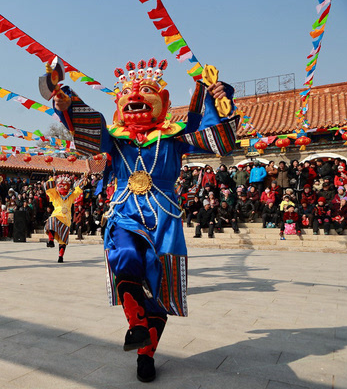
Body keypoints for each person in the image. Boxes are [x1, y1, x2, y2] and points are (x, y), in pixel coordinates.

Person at [50, 58, 237, 381]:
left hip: (164, 216)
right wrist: (67, 103)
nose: (136, 97)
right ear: (118, 105)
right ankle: (136, 326)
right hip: (125, 211)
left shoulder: (176, 137)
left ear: (163, 102)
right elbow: (89, 126)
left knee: (159, 286)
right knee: (124, 256)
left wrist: (218, 97)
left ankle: (145, 352)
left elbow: (213, 136)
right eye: (129, 94)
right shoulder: (115, 139)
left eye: (147, 91)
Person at [44, 174, 85, 263]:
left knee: (63, 238)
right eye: (61, 185)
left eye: (64, 185)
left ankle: (60, 256)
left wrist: (83, 180)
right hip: (57, 215)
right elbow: (48, 189)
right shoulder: (56, 195)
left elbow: (78, 190)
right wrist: (52, 179)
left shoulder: (70, 196)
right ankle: (51, 240)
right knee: (51, 221)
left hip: (66, 219)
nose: (63, 187)